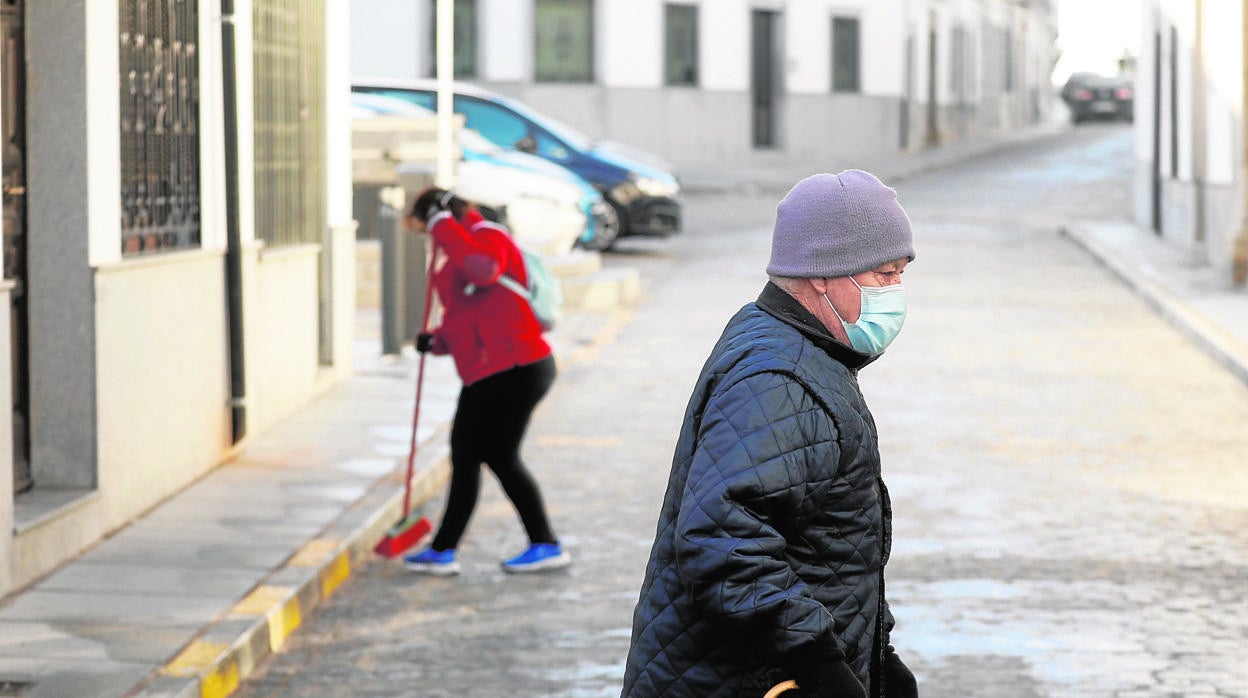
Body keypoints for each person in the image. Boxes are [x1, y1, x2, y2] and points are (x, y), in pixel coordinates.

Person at [621, 170, 920, 697]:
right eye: (883, 275)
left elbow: (827, 540)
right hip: (744, 681)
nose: (895, 293)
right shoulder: (779, 378)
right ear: (824, 276)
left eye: (899, 275)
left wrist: (878, 654)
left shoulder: (798, 348)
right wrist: (820, 665)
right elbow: (723, 543)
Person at [399, 186, 570, 576]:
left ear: (440, 217)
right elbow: (467, 318)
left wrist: (444, 227)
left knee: (497, 455)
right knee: (466, 455)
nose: (428, 236)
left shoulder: (487, 237)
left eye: (426, 226)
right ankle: (444, 550)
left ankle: (545, 544)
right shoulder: (453, 250)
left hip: (518, 366)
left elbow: (484, 270)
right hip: (487, 370)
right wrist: (437, 341)